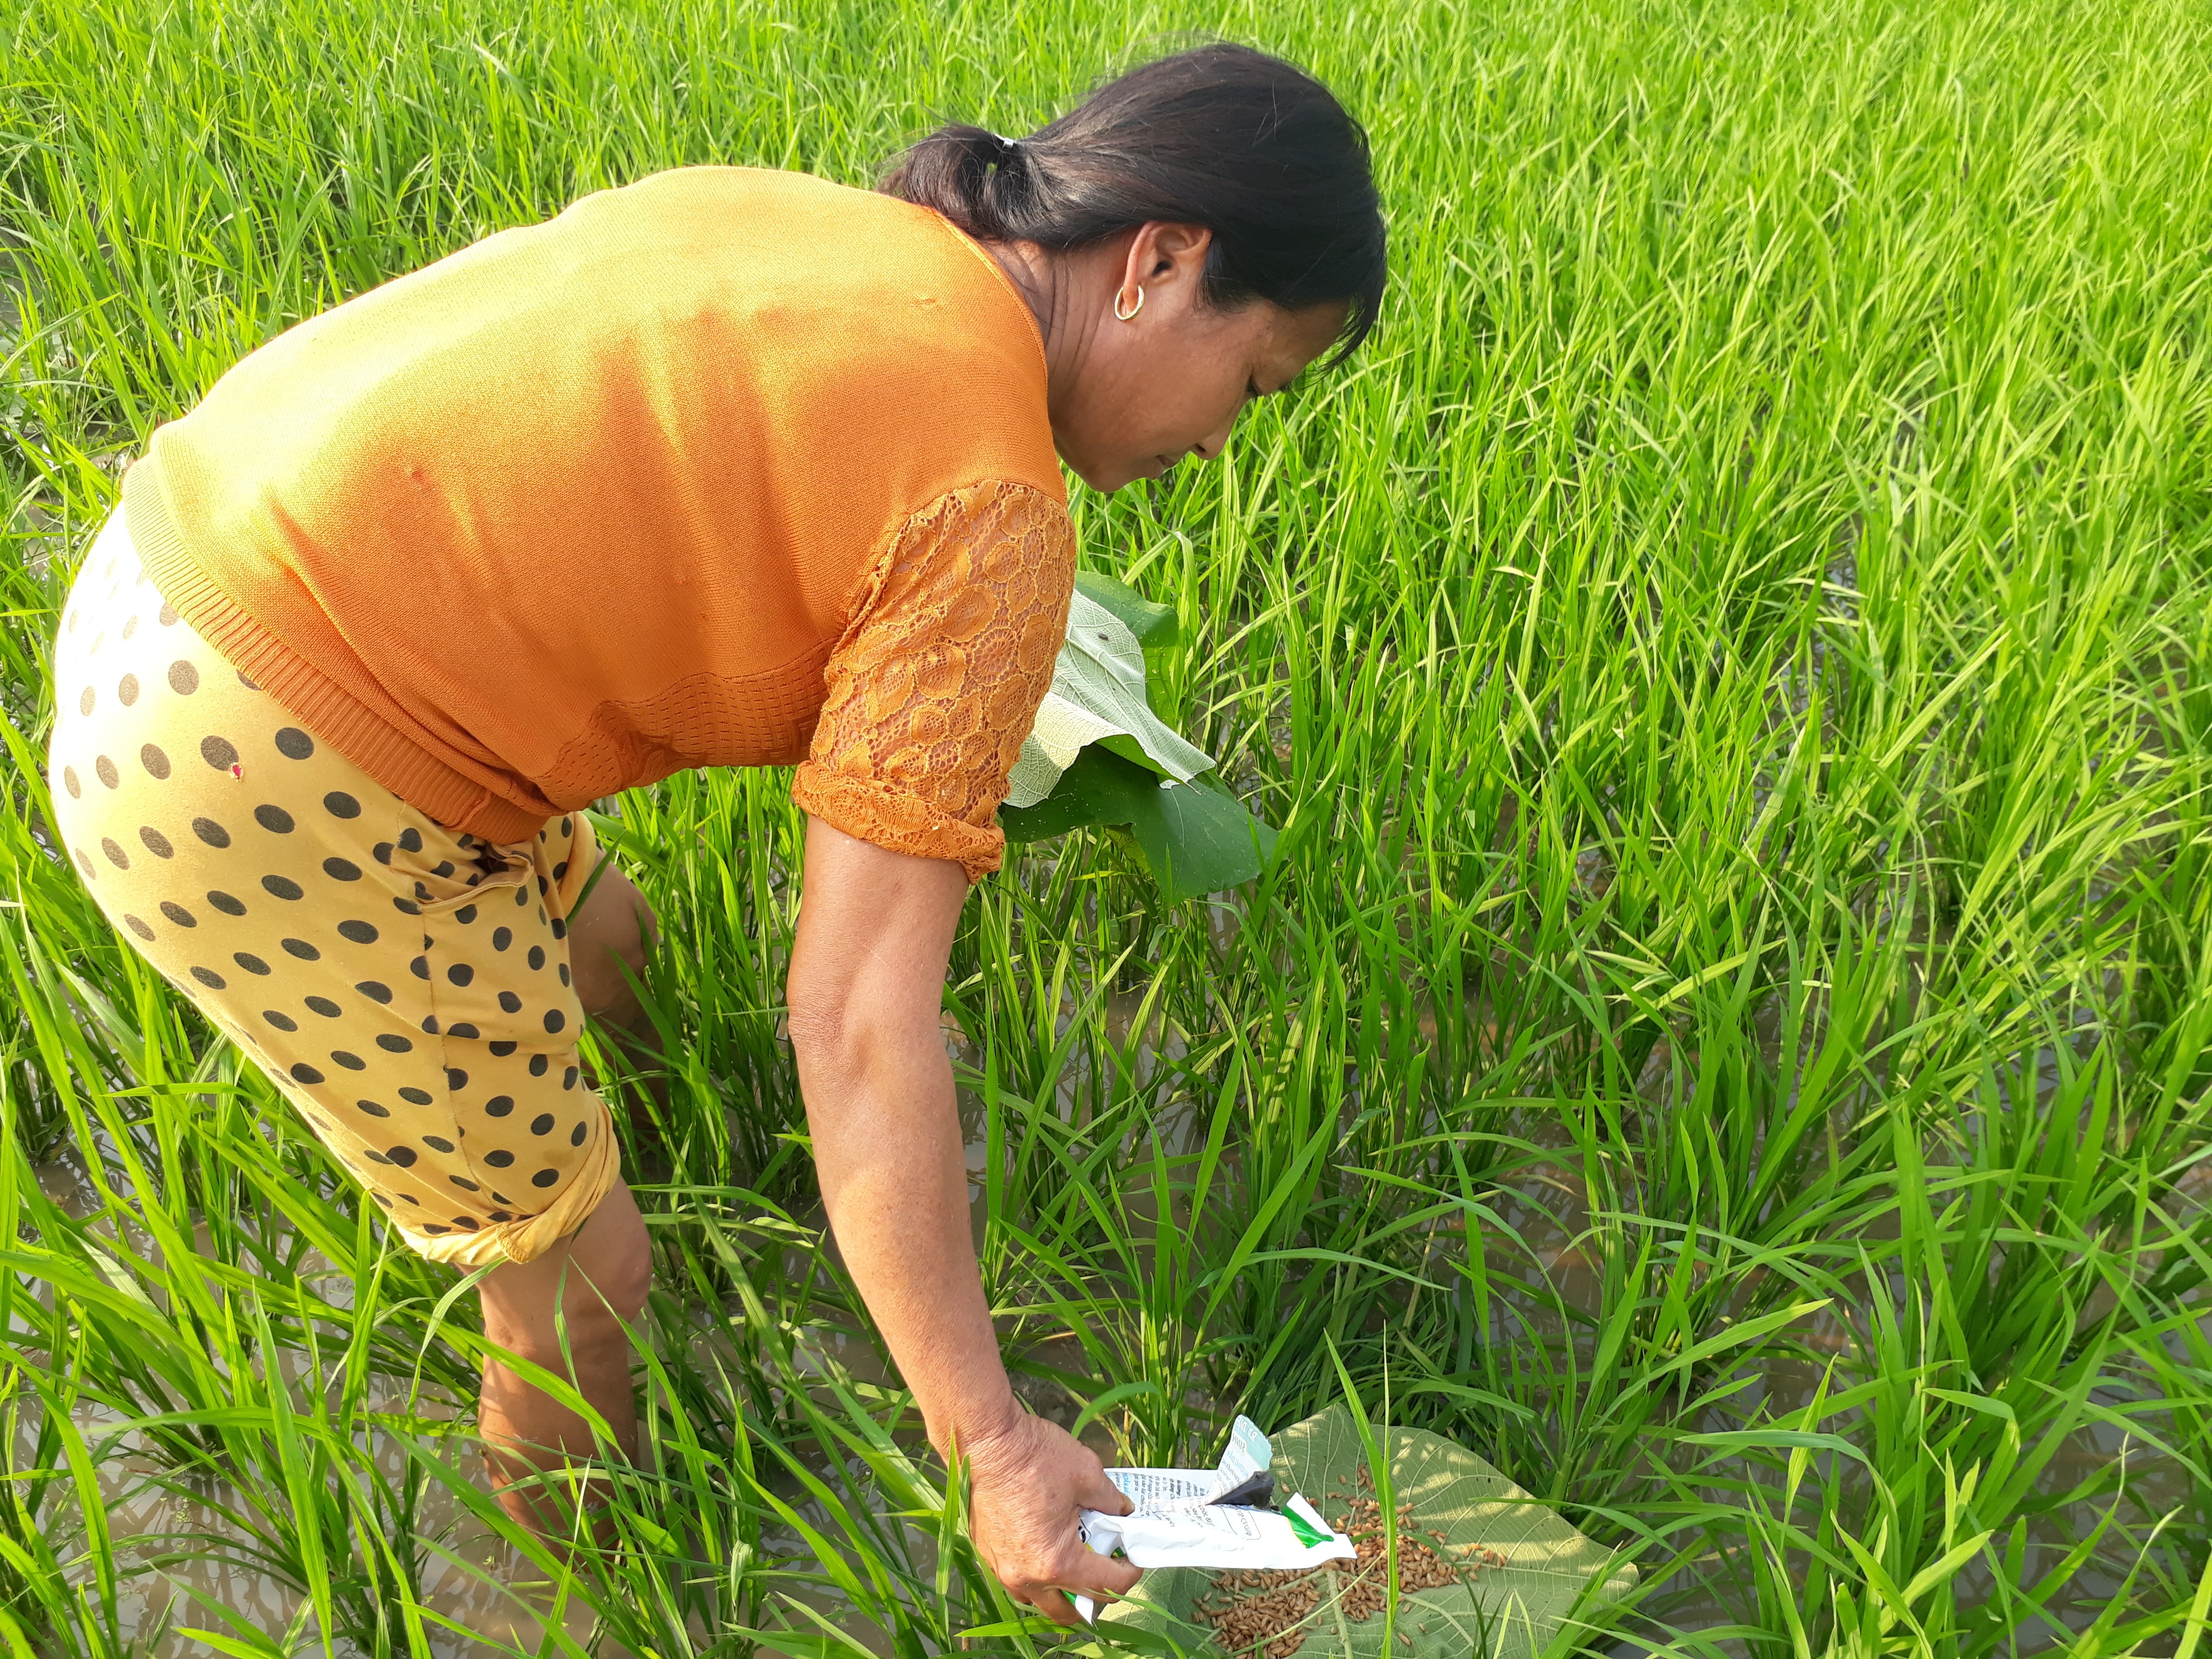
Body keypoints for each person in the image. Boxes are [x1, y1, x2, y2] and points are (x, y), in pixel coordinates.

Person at [43, 41, 1385, 1624]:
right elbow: (860, 1022)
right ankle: (580, 1602)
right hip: (265, 763)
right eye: (1255, 385)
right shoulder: (994, 503)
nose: (1226, 443)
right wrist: (992, 1436)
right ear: (1162, 263)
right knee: (580, 1285)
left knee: (612, 951)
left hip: (177, 578)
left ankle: (711, 1184)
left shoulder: (886, 243)